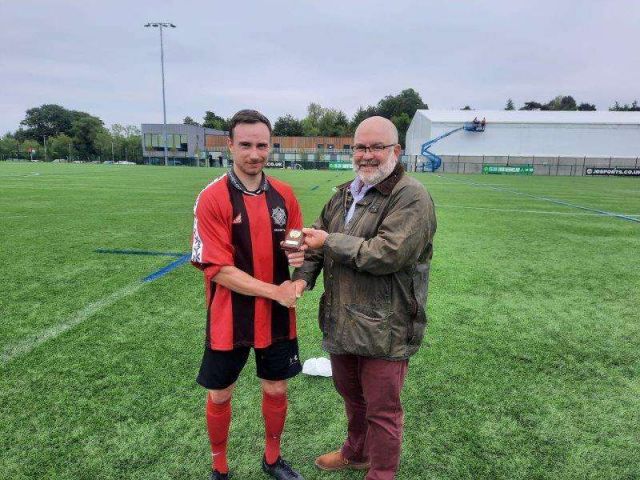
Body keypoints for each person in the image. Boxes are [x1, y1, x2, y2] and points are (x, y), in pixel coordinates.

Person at [287, 116, 437, 480]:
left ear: (395, 151)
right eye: (360, 147)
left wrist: (328, 243)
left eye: (376, 147)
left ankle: (381, 473)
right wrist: (301, 280)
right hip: (342, 320)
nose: (367, 155)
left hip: (386, 325)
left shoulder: (411, 195)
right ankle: (356, 453)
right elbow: (316, 244)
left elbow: (388, 253)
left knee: (382, 411)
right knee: (352, 397)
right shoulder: (343, 195)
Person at [191, 109, 305, 480]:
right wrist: (276, 290)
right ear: (230, 146)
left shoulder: (284, 195)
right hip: (229, 313)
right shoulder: (212, 198)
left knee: (276, 386)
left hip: (275, 315)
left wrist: (298, 256)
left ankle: (272, 460)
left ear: (271, 146)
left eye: (262, 145)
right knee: (221, 393)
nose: (255, 153)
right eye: (245, 145)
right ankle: (219, 468)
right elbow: (219, 269)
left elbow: (294, 245)